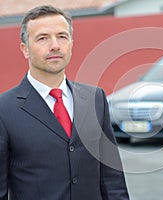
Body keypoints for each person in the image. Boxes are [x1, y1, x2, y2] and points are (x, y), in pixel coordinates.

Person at [0, 5, 130, 200]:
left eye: (62, 36)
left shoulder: (95, 99)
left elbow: (112, 179)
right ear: (25, 49)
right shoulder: (4, 109)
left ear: (71, 43)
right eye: (43, 38)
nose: (55, 45)